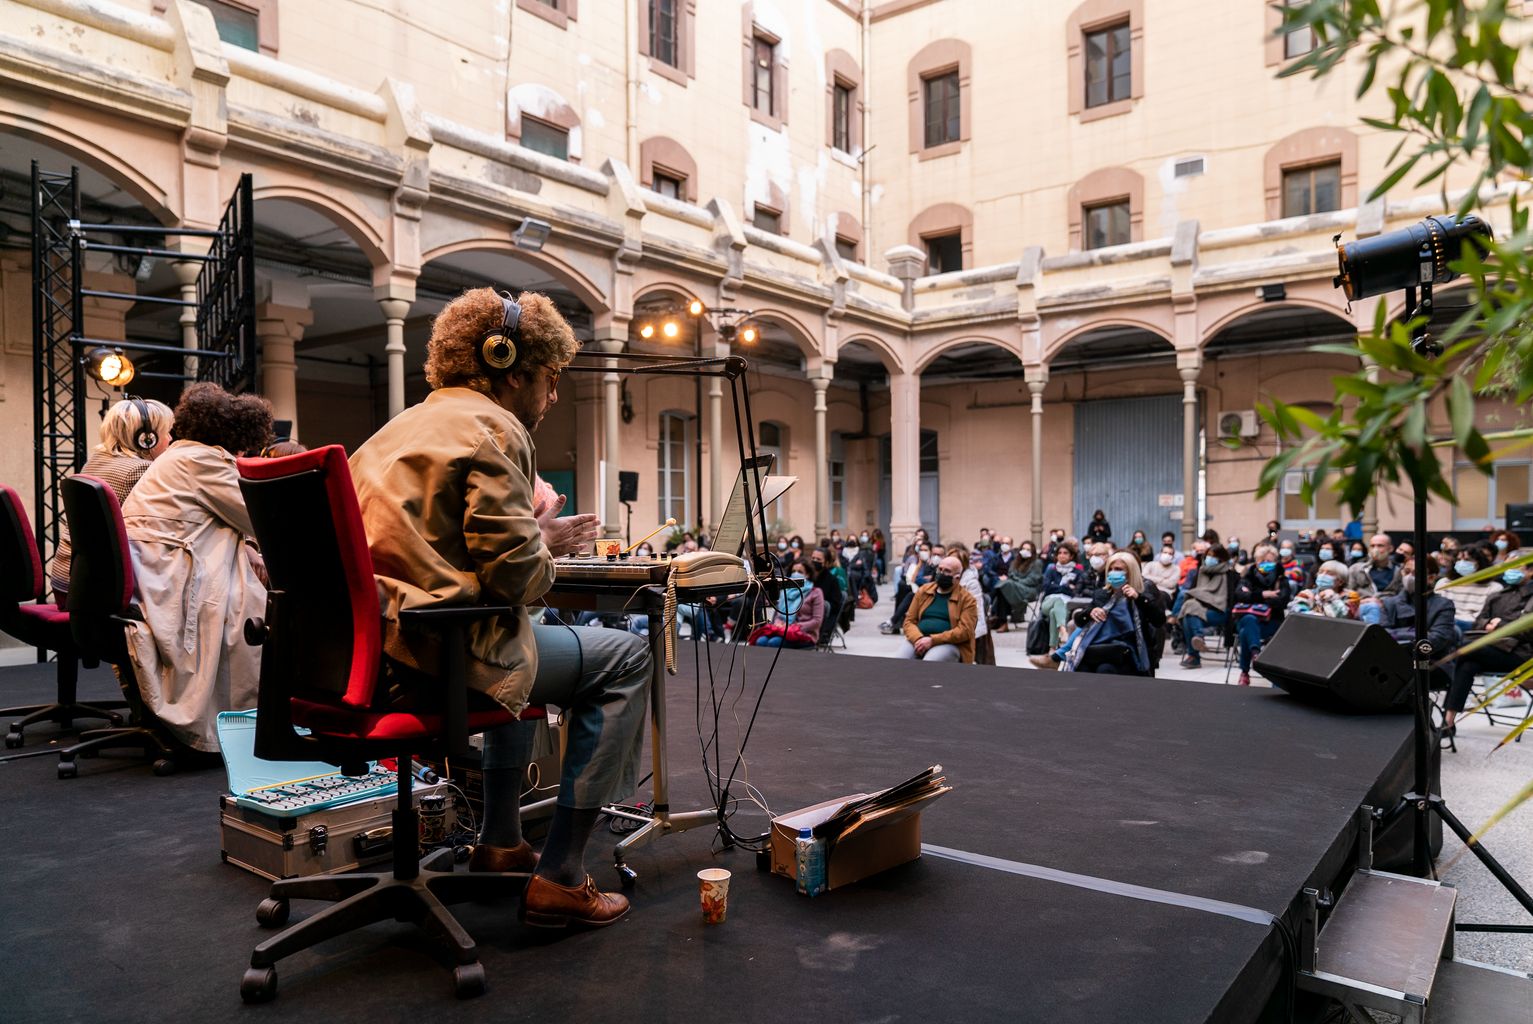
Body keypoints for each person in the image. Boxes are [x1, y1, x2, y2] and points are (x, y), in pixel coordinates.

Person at [348, 287, 642, 928]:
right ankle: (562, 875)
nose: (554, 395)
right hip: (432, 660)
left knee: (524, 629)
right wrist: (545, 543)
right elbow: (516, 581)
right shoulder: (495, 429)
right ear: (509, 364)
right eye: (550, 377)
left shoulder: (391, 432)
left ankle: (502, 842)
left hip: (366, 657)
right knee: (627, 656)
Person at [119, 383, 272, 754]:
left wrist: (248, 546)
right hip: (168, 582)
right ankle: (249, 725)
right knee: (257, 606)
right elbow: (261, 517)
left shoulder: (177, 457)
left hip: (149, 579)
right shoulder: (203, 461)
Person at [47, 396, 174, 605]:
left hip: (67, 581)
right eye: (166, 432)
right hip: (99, 591)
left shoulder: (93, 462)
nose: (170, 439)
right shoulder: (141, 470)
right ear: (146, 438)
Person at [1444, 563, 1533, 731]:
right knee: (1467, 665)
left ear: (1530, 571)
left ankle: (1435, 686)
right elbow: (1478, 622)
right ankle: (1448, 722)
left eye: (1517, 567)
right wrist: (1488, 624)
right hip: (1489, 649)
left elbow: (1528, 631)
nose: (1510, 570)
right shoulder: (1497, 595)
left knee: (1463, 650)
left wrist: (1500, 625)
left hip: (1520, 655)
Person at [1048, 550, 1164, 676]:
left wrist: (1138, 598)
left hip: (1129, 649)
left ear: (1131, 572)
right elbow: (1080, 622)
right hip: (1099, 646)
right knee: (1082, 668)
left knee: (1105, 669)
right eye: (1111, 569)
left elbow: (1158, 620)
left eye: (1118, 569)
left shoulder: (1143, 591)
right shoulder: (1103, 593)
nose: (1113, 572)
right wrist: (1090, 612)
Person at [1231, 542, 1293, 686]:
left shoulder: (1281, 579)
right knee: (1249, 620)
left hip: (1271, 622)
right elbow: (1239, 595)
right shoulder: (1248, 577)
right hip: (1247, 620)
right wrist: (1265, 594)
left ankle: (1245, 671)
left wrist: (1252, 596)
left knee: (1246, 631)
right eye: (1262, 561)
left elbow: (1282, 601)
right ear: (1256, 562)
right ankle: (1256, 654)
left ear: (1275, 562)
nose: (1265, 564)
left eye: (1269, 561)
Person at [897, 555, 977, 663]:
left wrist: (933, 640)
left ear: (957, 578)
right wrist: (918, 638)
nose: (941, 573)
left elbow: (964, 631)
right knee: (898, 662)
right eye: (940, 569)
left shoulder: (967, 600)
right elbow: (909, 621)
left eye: (947, 571)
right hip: (919, 638)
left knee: (930, 663)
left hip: (949, 643)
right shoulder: (924, 591)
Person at [1177, 544, 1235, 669]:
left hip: (1219, 611)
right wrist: (1200, 598)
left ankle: (1194, 656)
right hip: (1199, 610)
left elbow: (1233, 598)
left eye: (1213, 556)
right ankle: (1198, 638)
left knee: (1189, 611)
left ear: (1221, 558)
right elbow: (1193, 592)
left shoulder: (1229, 574)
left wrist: (1203, 598)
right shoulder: (1200, 571)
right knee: (1189, 613)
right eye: (1208, 555)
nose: (1209, 558)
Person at [751, 559, 823, 648]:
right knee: (760, 641)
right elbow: (778, 615)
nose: (796, 573)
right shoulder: (785, 591)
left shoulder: (815, 593)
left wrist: (794, 626)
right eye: (793, 571)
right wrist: (778, 623)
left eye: (800, 572)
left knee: (773, 642)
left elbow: (817, 621)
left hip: (804, 633)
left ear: (807, 574)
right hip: (781, 630)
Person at [1435, 544, 1500, 632]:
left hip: (1473, 629)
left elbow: (1485, 617)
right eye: (1458, 560)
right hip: (1444, 627)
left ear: (1480, 563)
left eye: (1467, 560)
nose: (1461, 563)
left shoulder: (1493, 588)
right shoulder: (1444, 583)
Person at [1038, 541, 1089, 644]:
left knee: (1054, 613)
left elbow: (1076, 591)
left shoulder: (1078, 572)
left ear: (1071, 556)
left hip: (1068, 603)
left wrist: (1055, 586)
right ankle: (1063, 631)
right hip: (1049, 601)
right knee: (1058, 601)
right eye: (1059, 553)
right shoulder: (1051, 570)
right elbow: (1046, 587)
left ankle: (1053, 647)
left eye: (1065, 553)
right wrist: (1066, 587)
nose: (1062, 555)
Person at [991, 540, 1044, 630]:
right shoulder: (1015, 562)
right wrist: (1015, 581)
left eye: (1028, 549)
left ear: (1032, 551)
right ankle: (1002, 621)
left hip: (1029, 590)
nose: (1025, 551)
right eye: (1023, 549)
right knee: (1004, 587)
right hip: (1014, 587)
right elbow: (1011, 574)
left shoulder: (1036, 563)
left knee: (1006, 585)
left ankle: (1000, 619)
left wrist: (1016, 580)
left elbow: (1032, 580)